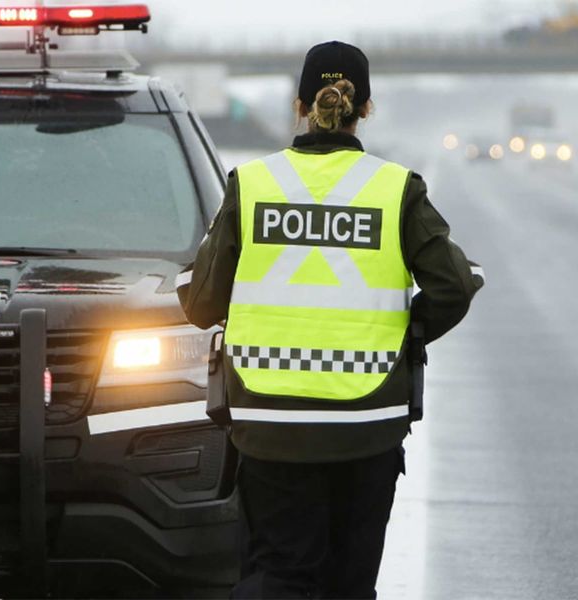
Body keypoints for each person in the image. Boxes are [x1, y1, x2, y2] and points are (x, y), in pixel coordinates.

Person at [177, 41, 483, 599]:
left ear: (299, 103)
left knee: (280, 575)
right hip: (368, 425)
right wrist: (403, 333)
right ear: (365, 108)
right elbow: (453, 286)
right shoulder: (397, 190)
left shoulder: (251, 185)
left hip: (269, 425)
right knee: (349, 584)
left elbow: (200, 304)